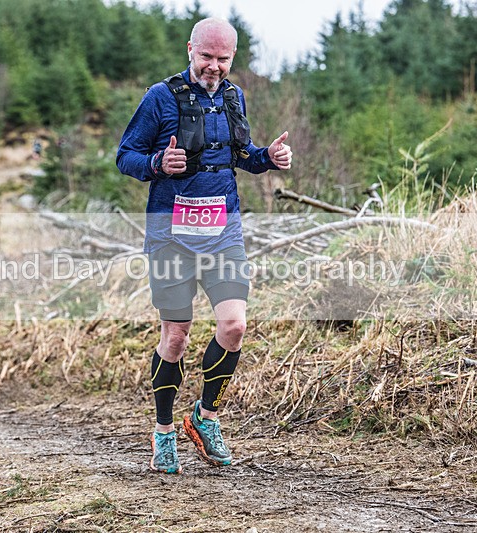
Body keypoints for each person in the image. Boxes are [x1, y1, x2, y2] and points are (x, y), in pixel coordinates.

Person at [116, 17, 292, 474]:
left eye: (224, 59)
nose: (214, 67)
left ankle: (205, 419)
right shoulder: (160, 97)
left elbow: (240, 156)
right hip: (171, 236)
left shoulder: (234, 96)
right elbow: (125, 156)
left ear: (233, 58)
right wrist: (157, 161)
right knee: (175, 336)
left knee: (234, 326)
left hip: (223, 231)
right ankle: (163, 432)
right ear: (190, 49)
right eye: (207, 56)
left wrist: (267, 158)